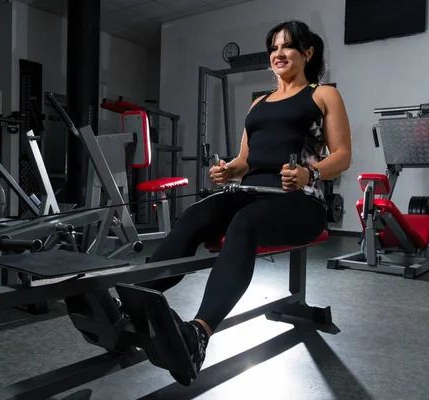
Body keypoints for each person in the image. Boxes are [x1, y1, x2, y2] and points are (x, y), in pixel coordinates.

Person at [136, 19, 352, 385]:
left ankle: (198, 335)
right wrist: (226, 171)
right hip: (250, 194)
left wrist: (310, 173)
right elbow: (245, 161)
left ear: (308, 52)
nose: (278, 54)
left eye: (287, 46)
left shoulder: (322, 94)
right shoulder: (259, 104)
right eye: (274, 48)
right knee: (194, 215)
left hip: (301, 202)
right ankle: (137, 301)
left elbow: (342, 155)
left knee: (245, 223)